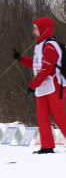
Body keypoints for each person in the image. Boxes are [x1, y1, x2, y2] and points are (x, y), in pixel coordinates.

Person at [13, 16, 66, 154]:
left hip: (56, 86)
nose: (33, 32)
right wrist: (21, 59)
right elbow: (36, 65)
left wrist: (33, 85)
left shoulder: (50, 46)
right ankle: (47, 146)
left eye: (36, 28)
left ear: (43, 29)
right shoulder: (40, 46)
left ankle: (48, 145)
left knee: (58, 116)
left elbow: (47, 69)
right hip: (43, 87)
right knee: (42, 116)